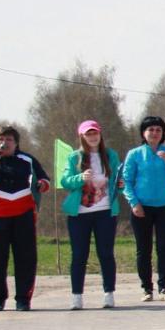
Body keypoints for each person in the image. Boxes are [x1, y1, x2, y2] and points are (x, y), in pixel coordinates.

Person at [122, 115, 165, 302]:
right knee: (143, 249)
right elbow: (126, 181)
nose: (154, 133)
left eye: (158, 130)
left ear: (163, 133)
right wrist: (134, 203)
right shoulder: (134, 154)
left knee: (164, 247)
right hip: (142, 207)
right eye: (150, 129)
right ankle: (146, 288)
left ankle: (163, 287)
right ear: (143, 133)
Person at [0, 126, 50, 311]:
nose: (4, 143)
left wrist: (41, 184)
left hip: (23, 215)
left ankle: (23, 299)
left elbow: (45, 180)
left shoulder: (27, 160)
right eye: (1, 139)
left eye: (9, 140)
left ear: (16, 143)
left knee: (25, 258)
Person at [60, 120, 122, 310]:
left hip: (105, 212)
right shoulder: (74, 157)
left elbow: (118, 179)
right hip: (79, 214)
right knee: (79, 254)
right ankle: (76, 296)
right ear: (82, 137)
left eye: (95, 133)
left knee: (106, 253)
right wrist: (80, 178)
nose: (93, 137)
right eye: (88, 134)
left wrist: (121, 185)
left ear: (100, 135)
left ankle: (109, 294)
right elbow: (65, 181)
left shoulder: (110, 155)